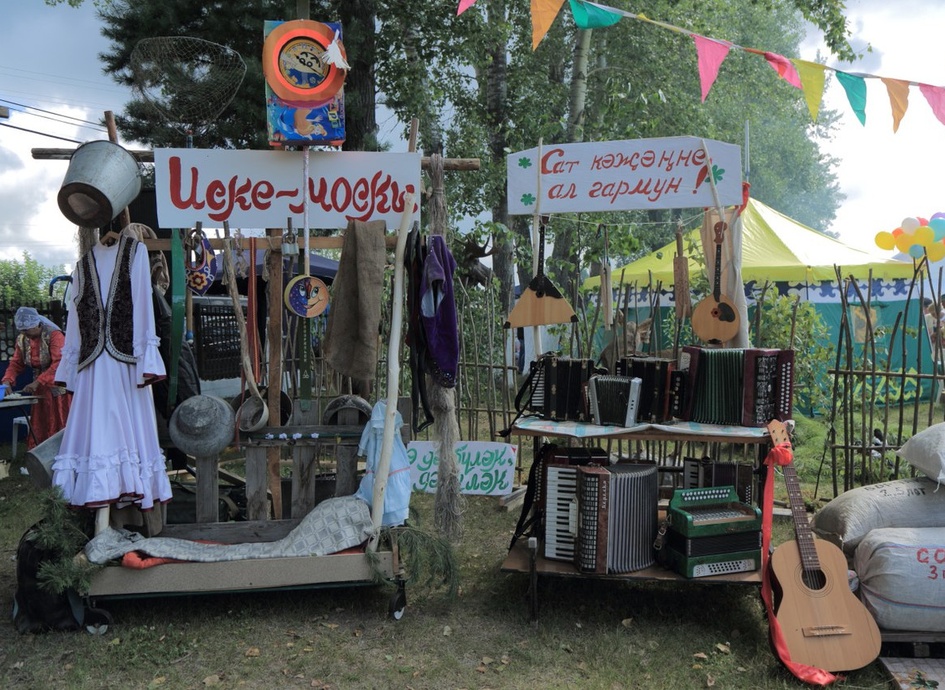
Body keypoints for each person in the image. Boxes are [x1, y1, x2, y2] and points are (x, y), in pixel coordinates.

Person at [0, 307, 72, 450]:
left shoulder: (54, 335)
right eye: (22, 330)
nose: (24, 333)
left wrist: (38, 381)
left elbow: (60, 363)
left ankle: (63, 453)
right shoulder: (23, 339)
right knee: (41, 422)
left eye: (27, 330)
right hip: (39, 388)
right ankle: (41, 455)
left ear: (36, 325)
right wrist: (7, 380)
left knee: (59, 421)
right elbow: (16, 363)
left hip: (58, 387)